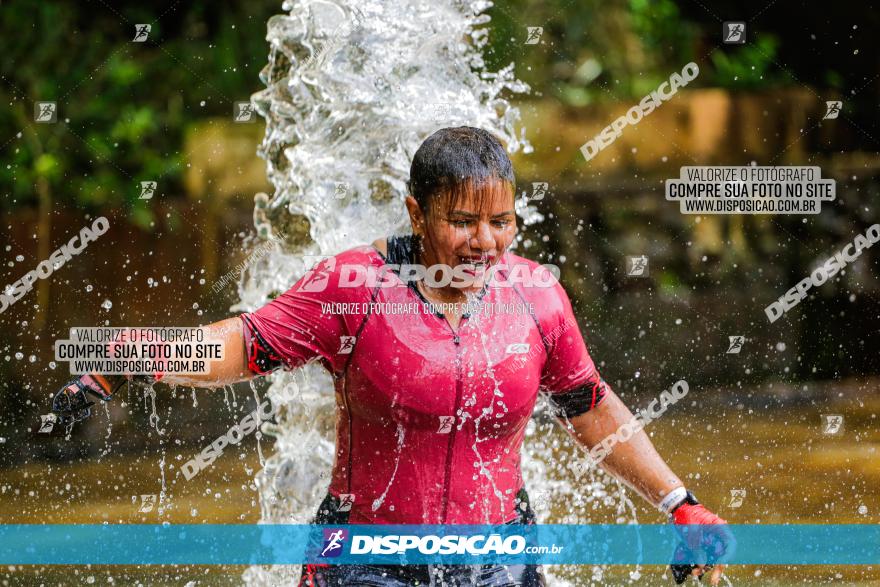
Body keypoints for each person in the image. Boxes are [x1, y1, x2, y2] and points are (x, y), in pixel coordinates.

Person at [43, 127, 731, 586]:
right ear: (416, 212)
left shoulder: (538, 297)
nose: (485, 242)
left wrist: (680, 502)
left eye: (501, 221)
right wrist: (124, 355)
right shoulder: (353, 289)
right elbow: (242, 345)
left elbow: (588, 404)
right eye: (462, 221)